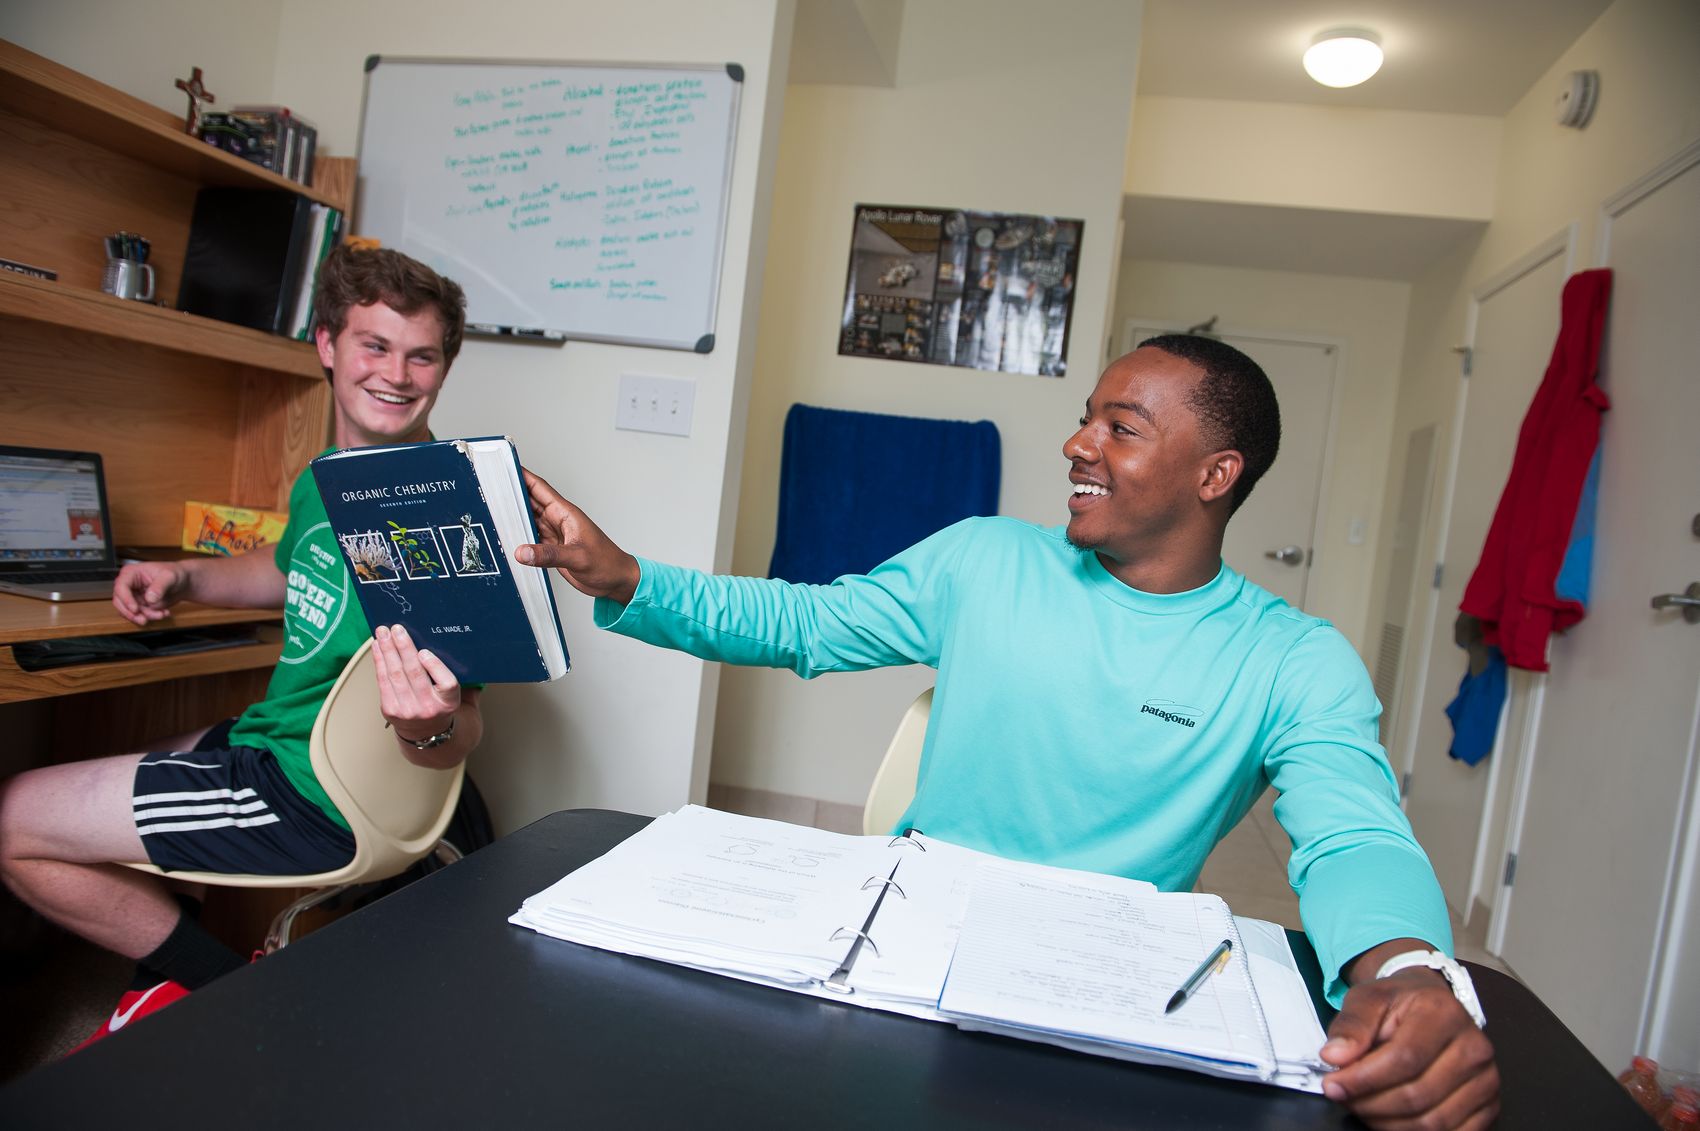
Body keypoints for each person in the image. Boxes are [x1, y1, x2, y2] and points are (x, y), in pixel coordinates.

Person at [513, 334, 1499, 1130]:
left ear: (1215, 473)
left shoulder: (1291, 659)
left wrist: (1409, 969)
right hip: (904, 952)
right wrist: (626, 578)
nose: (1076, 445)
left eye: (1119, 427)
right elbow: (806, 623)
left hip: (1100, 995)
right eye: (1084, 421)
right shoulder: (982, 560)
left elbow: (1355, 834)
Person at [0, 246, 482, 1042]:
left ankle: (240, 997)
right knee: (141, 758)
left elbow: (460, 724)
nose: (396, 374)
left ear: (444, 367)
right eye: (375, 345)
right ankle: (153, 995)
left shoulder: (431, 512)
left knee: (13, 817)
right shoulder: (334, 477)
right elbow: (291, 563)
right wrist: (186, 577)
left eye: (421, 354)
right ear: (327, 345)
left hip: (308, 790)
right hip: (288, 751)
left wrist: (432, 725)